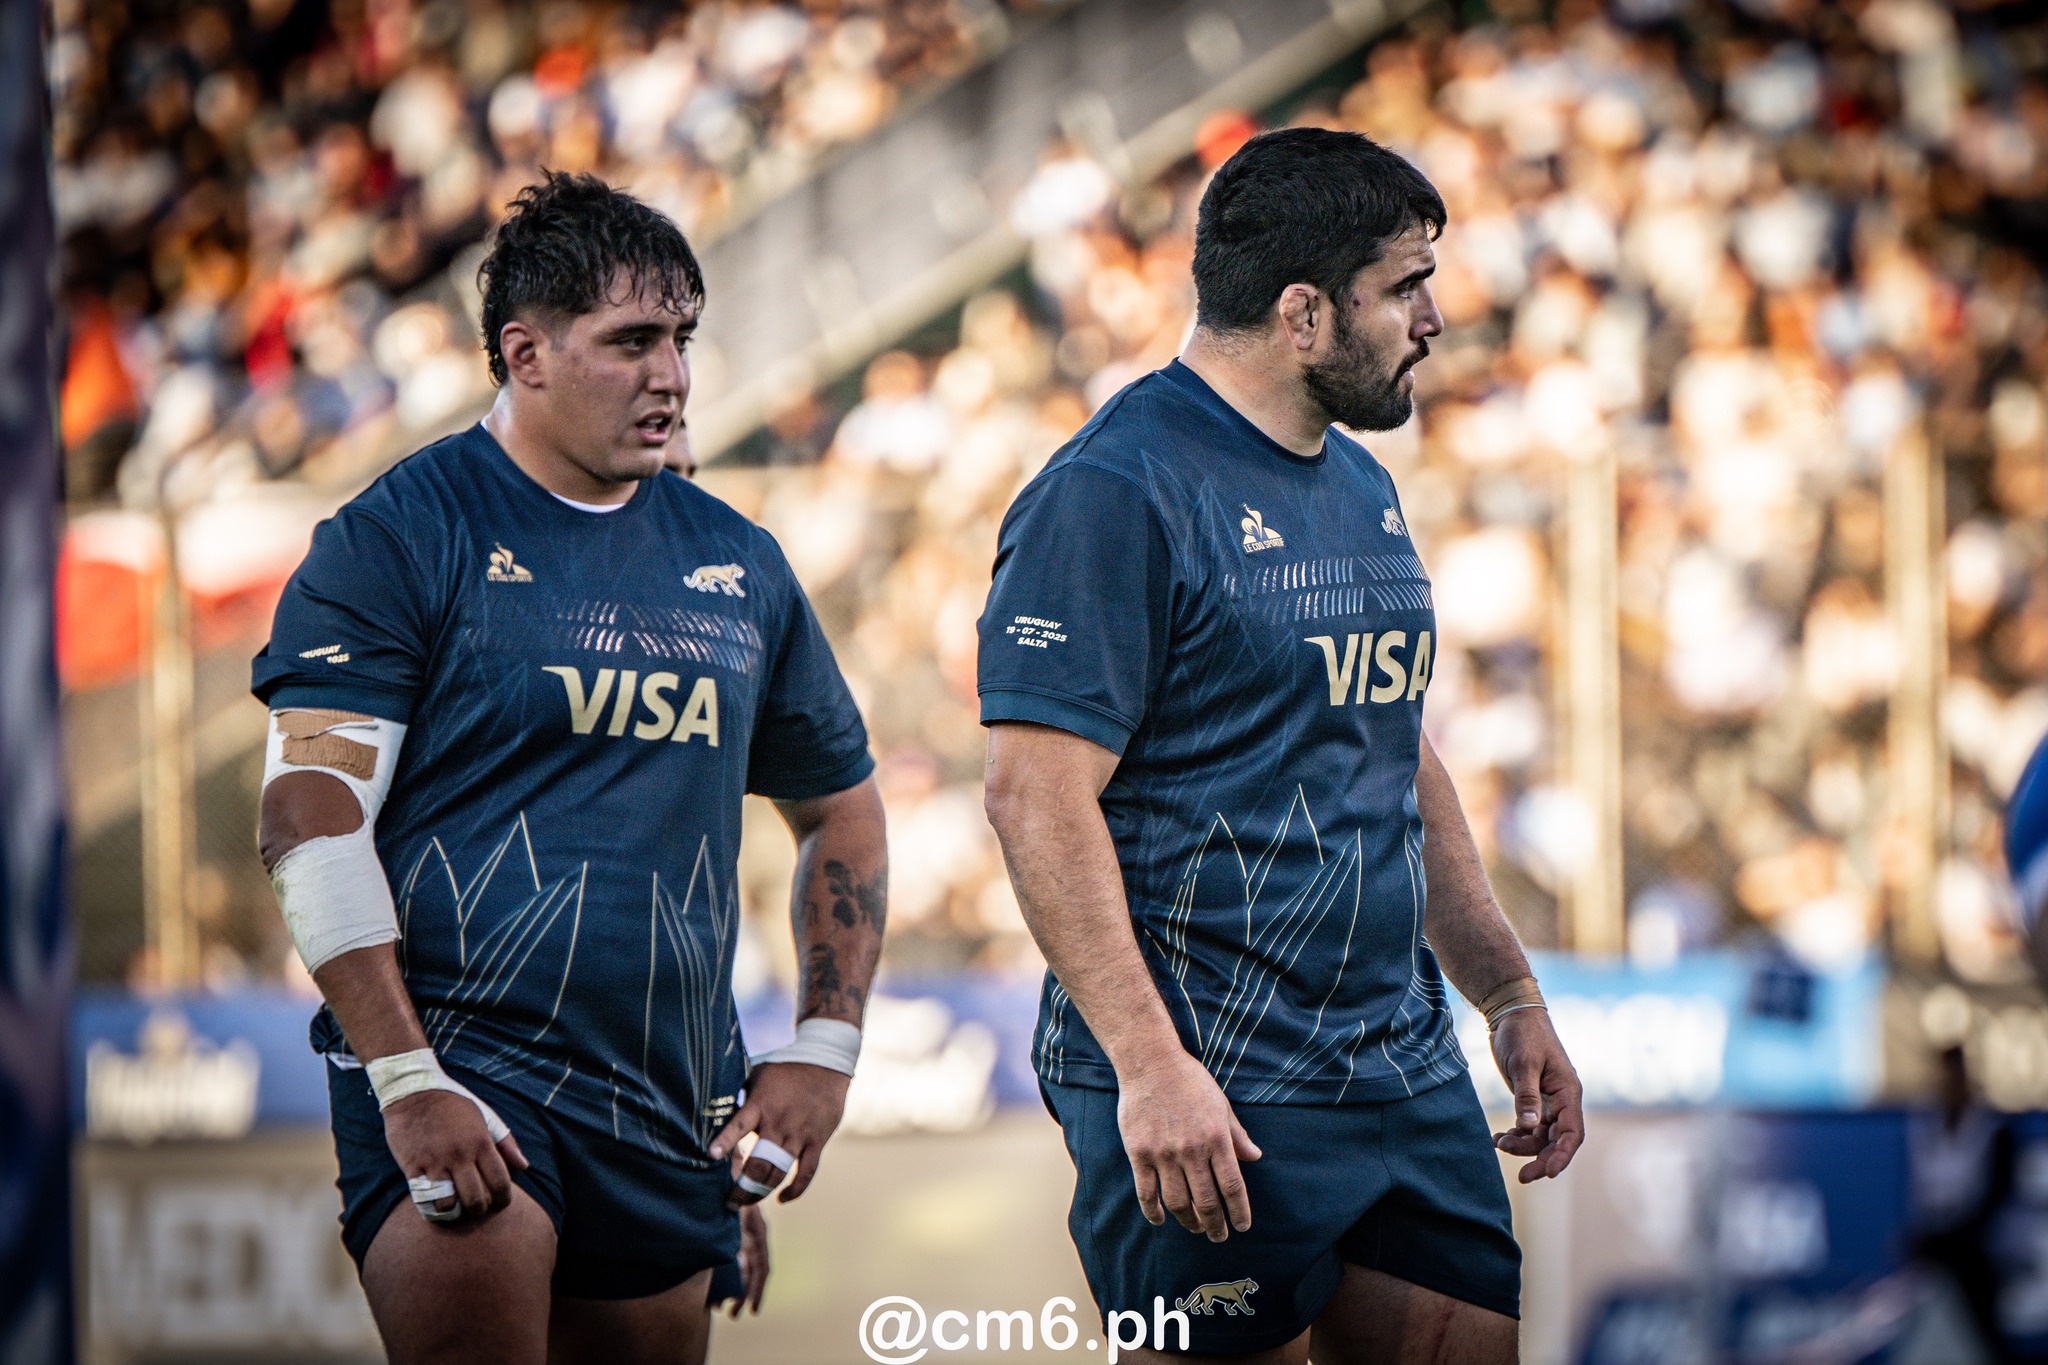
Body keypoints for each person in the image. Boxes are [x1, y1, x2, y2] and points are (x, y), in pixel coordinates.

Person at [252, 171, 886, 1365]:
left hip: (667, 1104)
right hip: (467, 1075)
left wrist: (820, 1051)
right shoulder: (399, 533)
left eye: (681, 340)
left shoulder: (738, 563)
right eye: (630, 341)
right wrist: (403, 1079)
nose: (673, 375)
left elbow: (840, 809)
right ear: (524, 354)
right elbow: (308, 814)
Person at [978, 128, 1584, 1365]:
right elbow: (1034, 799)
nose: (1430, 317)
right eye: (1403, 286)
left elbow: (1396, 754)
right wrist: (1148, 1070)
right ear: (1302, 313)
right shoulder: (1115, 487)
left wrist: (1505, 990)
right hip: (1212, 1082)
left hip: (1397, 1065)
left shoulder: (1361, 485)